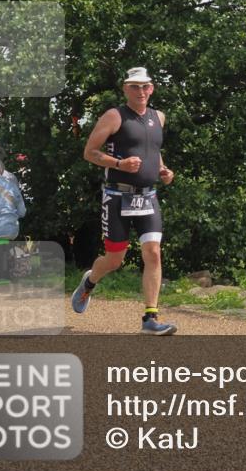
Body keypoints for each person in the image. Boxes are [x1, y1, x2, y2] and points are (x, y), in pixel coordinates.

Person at [73, 67, 176, 335]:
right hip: (117, 197)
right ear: (125, 89)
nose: (141, 91)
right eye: (134, 87)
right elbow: (89, 152)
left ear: (152, 88)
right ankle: (90, 281)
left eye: (145, 87)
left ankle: (150, 318)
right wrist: (119, 163)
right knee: (115, 259)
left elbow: (153, 151)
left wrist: (163, 170)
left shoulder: (159, 117)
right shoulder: (114, 116)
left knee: (153, 252)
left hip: (148, 197)